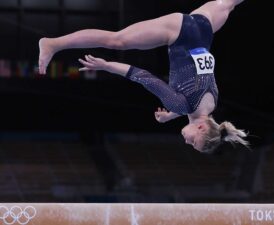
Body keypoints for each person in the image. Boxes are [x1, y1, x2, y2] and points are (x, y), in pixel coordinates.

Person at [38, 0, 249, 153]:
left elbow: (191, 102)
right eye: (194, 142)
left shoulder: (210, 104)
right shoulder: (180, 105)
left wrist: (170, 116)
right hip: (179, 32)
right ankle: (52, 43)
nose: (188, 142)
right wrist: (106, 65)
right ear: (202, 127)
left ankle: (53, 43)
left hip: (204, 29)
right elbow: (142, 76)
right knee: (116, 41)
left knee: (231, 3)